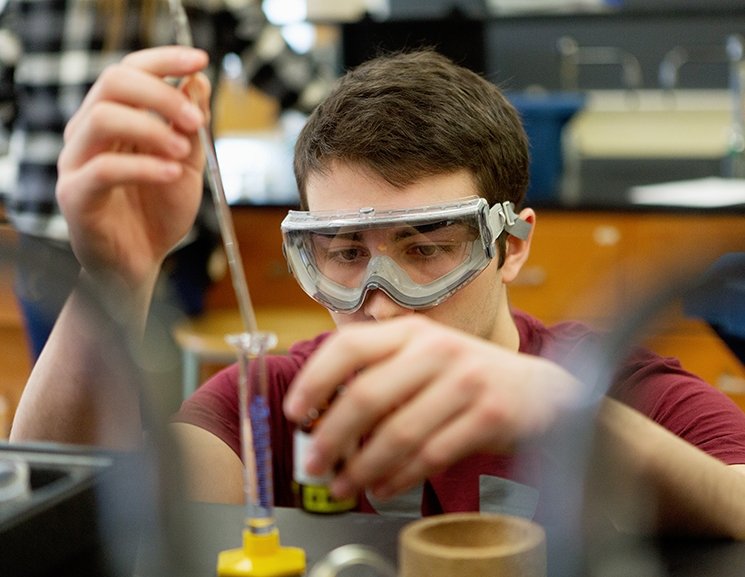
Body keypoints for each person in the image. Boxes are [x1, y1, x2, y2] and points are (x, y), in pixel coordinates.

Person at [10, 46, 745, 539]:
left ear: (510, 246)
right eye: (343, 253)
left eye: (425, 250)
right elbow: (71, 515)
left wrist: (568, 413)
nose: (379, 300)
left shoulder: (611, 383)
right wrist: (115, 271)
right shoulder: (276, 401)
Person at [0, 0, 327, 360]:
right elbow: (307, 88)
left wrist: (23, 183)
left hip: (101, 241)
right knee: (144, 405)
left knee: (81, 404)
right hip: (150, 243)